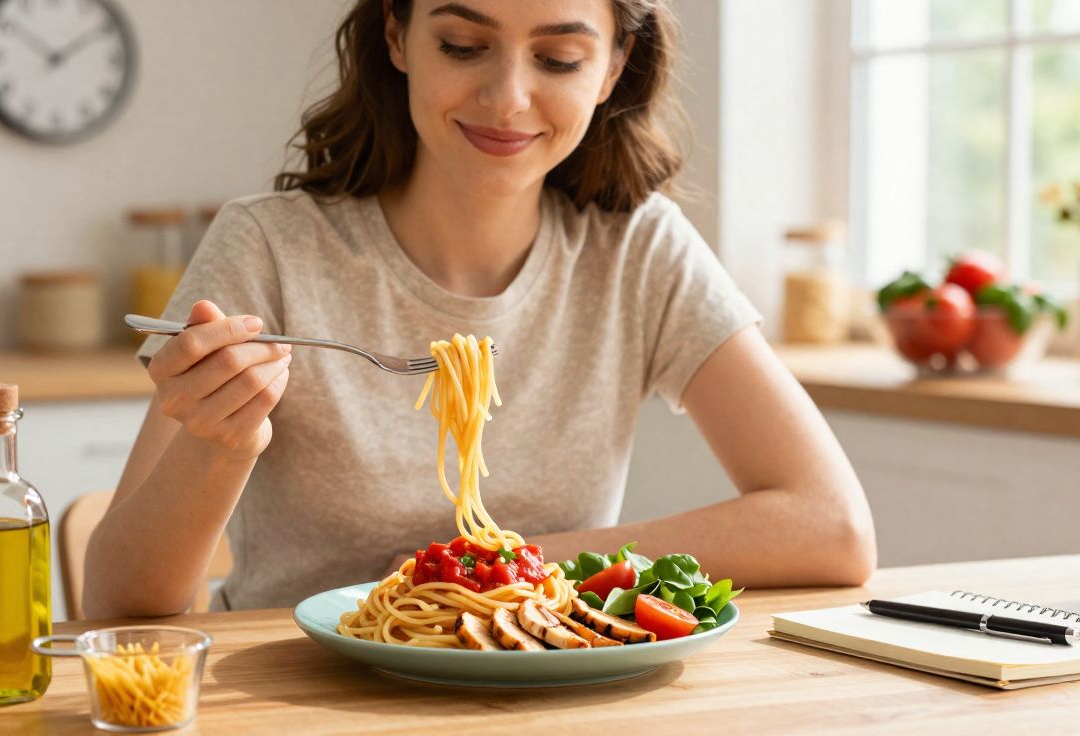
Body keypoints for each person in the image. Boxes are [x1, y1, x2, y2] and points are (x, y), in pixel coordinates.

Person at [83, 0, 876, 618]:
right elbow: (118, 603)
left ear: (613, 67)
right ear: (397, 35)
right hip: (294, 690)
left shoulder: (637, 251)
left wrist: (509, 564)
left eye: (559, 57)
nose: (508, 99)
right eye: (463, 46)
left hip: (540, 687)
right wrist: (222, 443)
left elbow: (833, 527)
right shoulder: (269, 247)